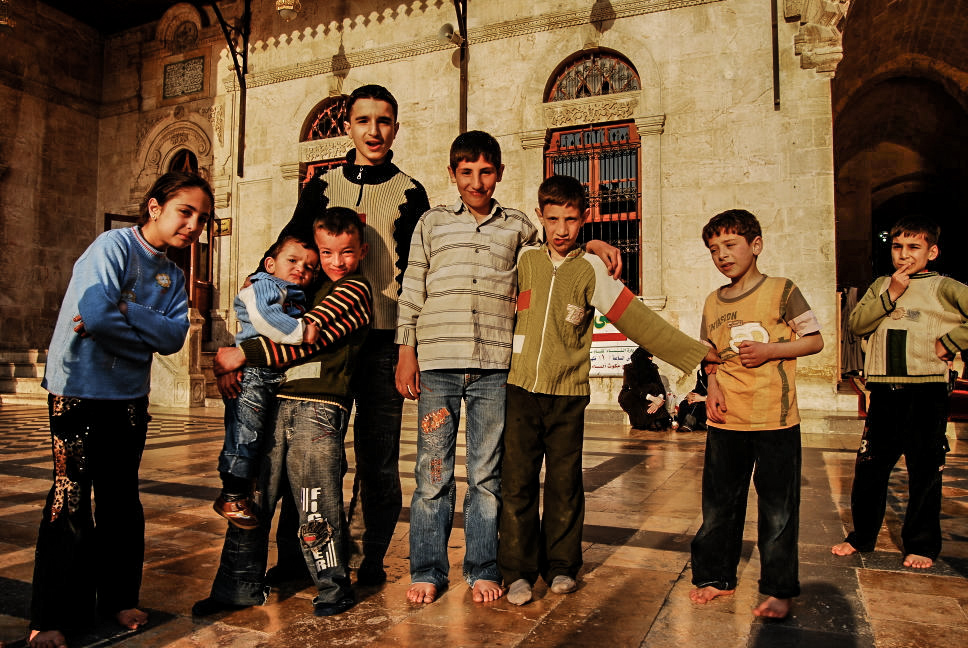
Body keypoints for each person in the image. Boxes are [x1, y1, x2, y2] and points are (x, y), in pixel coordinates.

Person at [395, 135, 623, 605]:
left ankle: (482, 567)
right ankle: (428, 568)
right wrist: (406, 349)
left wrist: (595, 239)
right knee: (432, 474)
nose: (476, 181)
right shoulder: (431, 223)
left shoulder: (518, 226)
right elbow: (413, 287)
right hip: (437, 362)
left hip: (496, 368)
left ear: (499, 173)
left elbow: (558, 247)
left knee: (486, 476)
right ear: (452, 173)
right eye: (466, 172)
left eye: (485, 171)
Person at [498, 175, 715, 606]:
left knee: (564, 483)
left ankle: (561, 566)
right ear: (539, 216)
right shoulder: (523, 261)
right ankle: (517, 571)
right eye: (554, 218)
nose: (562, 230)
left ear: (585, 219)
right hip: (520, 389)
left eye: (572, 220)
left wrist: (695, 353)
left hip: (569, 394)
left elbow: (637, 318)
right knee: (517, 483)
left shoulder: (591, 269)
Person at [29, 172, 213, 648]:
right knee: (71, 496)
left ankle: (118, 598)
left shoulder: (172, 275)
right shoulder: (111, 246)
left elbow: (174, 337)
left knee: (121, 499)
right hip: (79, 389)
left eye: (202, 218)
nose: (193, 225)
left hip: (128, 397)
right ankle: (51, 617)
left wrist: (127, 312)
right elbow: (93, 312)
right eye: (184, 212)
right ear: (155, 207)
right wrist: (138, 334)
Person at [265, 84, 431, 586]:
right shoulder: (321, 186)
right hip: (325, 342)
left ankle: (365, 560)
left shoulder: (410, 192)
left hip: (382, 345)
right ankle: (299, 561)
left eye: (384, 120)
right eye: (364, 120)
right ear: (349, 126)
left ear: (396, 128)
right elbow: (289, 247)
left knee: (378, 463)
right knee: (312, 458)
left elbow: (420, 274)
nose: (374, 131)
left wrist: (408, 349)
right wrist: (262, 305)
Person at [194, 207, 372, 617]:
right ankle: (237, 587)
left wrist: (241, 355)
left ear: (361, 253)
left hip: (319, 407)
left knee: (316, 499)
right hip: (279, 398)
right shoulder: (307, 288)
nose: (334, 263)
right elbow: (267, 311)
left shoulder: (354, 291)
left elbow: (306, 339)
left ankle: (332, 586)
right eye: (325, 254)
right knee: (256, 495)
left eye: (344, 253)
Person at [689, 209, 824, 620]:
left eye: (731, 245)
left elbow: (814, 340)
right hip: (726, 421)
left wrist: (770, 351)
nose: (722, 256)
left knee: (778, 511)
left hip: (775, 420)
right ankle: (715, 577)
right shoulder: (713, 301)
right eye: (714, 249)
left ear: (756, 245)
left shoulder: (783, 291)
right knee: (718, 507)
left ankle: (778, 589)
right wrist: (710, 388)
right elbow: (708, 357)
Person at [831, 215, 967, 570]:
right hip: (886, 392)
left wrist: (952, 342)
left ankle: (921, 544)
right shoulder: (880, 285)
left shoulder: (945, 287)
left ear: (932, 252)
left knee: (924, 469)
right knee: (870, 467)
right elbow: (857, 324)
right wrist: (891, 293)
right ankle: (861, 537)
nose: (903, 254)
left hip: (927, 391)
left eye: (913, 247)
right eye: (897, 247)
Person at [212, 235, 319, 529]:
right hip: (253, 374)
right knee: (244, 432)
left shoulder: (292, 293)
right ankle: (231, 494)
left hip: (267, 374)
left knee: (257, 435)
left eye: (309, 267)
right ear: (270, 264)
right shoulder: (264, 285)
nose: (301, 270)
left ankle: (243, 485)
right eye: (293, 261)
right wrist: (300, 331)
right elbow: (265, 319)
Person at [618, 347, 673, 430]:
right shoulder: (629, 369)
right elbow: (634, 388)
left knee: (653, 388)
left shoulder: (652, 368)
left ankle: (656, 421)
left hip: (649, 395)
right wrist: (653, 398)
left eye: (651, 357)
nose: (650, 359)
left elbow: (659, 385)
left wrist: (659, 399)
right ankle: (650, 422)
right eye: (648, 357)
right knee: (641, 404)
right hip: (631, 395)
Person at [675, 367, 708, 432]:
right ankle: (682, 423)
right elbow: (699, 389)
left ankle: (688, 425)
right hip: (701, 397)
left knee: (697, 405)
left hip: (709, 400)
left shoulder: (718, 374)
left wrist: (702, 398)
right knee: (684, 403)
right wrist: (690, 395)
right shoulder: (701, 372)